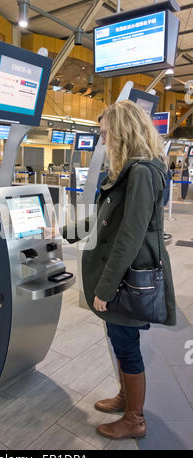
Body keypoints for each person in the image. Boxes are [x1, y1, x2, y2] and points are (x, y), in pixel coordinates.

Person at [57, 100, 176, 440]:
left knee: (125, 342)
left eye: (107, 134)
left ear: (123, 132)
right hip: (124, 271)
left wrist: (104, 289)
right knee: (120, 337)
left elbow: (130, 235)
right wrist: (63, 232)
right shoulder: (133, 170)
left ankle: (134, 419)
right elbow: (104, 219)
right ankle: (126, 398)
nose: (104, 141)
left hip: (128, 274)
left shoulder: (141, 172)